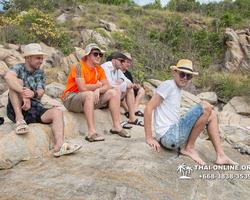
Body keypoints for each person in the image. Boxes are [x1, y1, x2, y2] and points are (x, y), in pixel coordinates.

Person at [144, 59, 238, 165]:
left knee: (212, 114)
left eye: (188, 76)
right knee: (206, 106)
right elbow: (148, 108)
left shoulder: (177, 89)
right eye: (182, 74)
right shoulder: (168, 85)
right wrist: (149, 138)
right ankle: (189, 147)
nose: (185, 78)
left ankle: (221, 155)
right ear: (174, 72)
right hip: (169, 135)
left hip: (174, 133)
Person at [4, 43, 82, 157]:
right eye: (38, 58)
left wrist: (33, 94)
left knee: (57, 113)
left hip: (34, 108)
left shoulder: (40, 73)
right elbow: (8, 77)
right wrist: (24, 94)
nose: (41, 61)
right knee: (17, 82)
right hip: (17, 107)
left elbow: (40, 93)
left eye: (41, 58)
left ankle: (59, 145)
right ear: (28, 58)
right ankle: (19, 119)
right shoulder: (18, 68)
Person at [62, 43, 131, 141]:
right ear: (87, 55)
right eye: (95, 54)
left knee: (114, 92)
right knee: (89, 94)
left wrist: (98, 90)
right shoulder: (79, 67)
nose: (98, 56)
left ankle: (116, 126)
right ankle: (91, 132)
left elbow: (107, 86)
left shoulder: (99, 69)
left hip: (89, 98)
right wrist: (98, 86)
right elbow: (82, 88)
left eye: (100, 54)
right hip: (71, 98)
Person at [101, 51, 144, 128]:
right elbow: (109, 84)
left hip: (112, 97)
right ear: (113, 60)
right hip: (103, 97)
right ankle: (119, 120)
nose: (123, 63)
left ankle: (132, 117)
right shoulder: (106, 66)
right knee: (117, 89)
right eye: (121, 60)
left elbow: (130, 83)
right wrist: (124, 83)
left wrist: (122, 79)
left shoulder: (117, 70)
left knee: (129, 88)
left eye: (124, 61)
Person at [120, 53, 145, 118]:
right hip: (122, 94)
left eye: (129, 63)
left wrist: (136, 85)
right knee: (125, 89)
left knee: (141, 90)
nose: (129, 64)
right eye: (127, 62)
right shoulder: (118, 72)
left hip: (129, 92)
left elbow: (132, 83)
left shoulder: (128, 74)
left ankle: (135, 108)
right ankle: (127, 110)